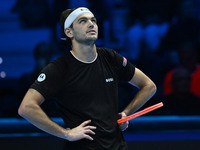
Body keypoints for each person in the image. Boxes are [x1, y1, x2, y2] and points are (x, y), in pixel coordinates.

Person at [18, 7, 156, 150]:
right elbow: (26, 107)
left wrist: (126, 113)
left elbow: (149, 86)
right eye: (83, 21)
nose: (91, 24)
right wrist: (66, 133)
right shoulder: (59, 68)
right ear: (69, 32)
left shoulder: (110, 57)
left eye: (93, 20)